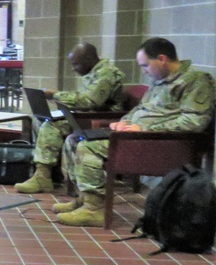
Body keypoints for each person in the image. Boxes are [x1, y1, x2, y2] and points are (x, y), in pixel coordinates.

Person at [58, 37, 215, 227]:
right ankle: (86, 198)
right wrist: (123, 123)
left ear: (162, 59)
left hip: (162, 143)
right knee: (75, 139)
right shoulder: (160, 80)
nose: (144, 71)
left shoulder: (195, 81)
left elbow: (194, 122)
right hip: (137, 136)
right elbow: (141, 110)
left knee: (87, 147)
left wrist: (144, 129)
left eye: (145, 66)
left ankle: (95, 210)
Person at [14, 42, 124, 193]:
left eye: (76, 64)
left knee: (51, 125)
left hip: (98, 120)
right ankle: (52, 173)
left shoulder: (106, 74)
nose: (73, 69)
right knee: (39, 120)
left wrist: (55, 95)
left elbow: (89, 102)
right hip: (86, 115)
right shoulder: (95, 72)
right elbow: (84, 99)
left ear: (89, 60)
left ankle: (42, 177)